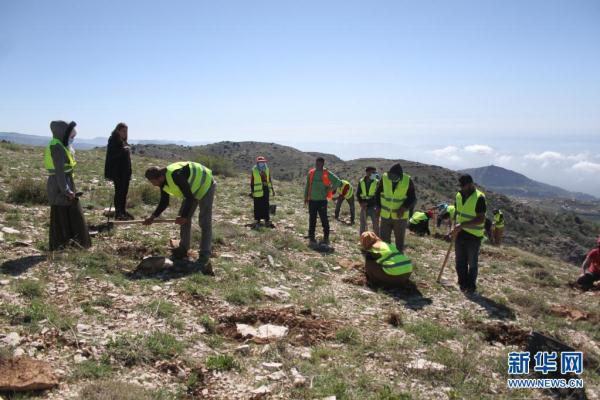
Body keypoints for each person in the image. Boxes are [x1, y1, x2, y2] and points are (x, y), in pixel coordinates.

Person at [143, 162, 215, 272]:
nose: (153, 184)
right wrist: (153, 217)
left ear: (161, 177)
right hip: (191, 190)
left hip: (205, 184)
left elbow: (190, 198)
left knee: (204, 221)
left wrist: (184, 216)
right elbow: (164, 202)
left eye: (153, 182)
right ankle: (183, 249)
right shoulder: (163, 182)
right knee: (183, 219)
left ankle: (205, 254)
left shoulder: (176, 175)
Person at [45, 120, 91, 251]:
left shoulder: (60, 144)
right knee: (62, 214)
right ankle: (63, 247)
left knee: (69, 213)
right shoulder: (57, 147)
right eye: (71, 136)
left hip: (64, 182)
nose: (73, 139)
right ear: (63, 134)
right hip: (59, 185)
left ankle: (71, 245)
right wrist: (66, 190)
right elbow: (59, 172)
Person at [450, 174, 486, 294]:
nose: (461, 188)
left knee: (472, 263)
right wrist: (453, 227)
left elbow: (481, 219)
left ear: (471, 184)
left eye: (463, 186)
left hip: (474, 235)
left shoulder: (479, 197)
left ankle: (471, 286)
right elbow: (457, 213)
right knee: (460, 260)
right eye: (460, 186)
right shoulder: (459, 195)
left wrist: (462, 225)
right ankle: (462, 282)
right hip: (460, 233)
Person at [375, 163, 416, 252]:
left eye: (394, 177)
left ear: (400, 176)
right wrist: (378, 206)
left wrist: (404, 208)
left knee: (399, 241)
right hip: (385, 215)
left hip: (400, 217)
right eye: (390, 176)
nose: (392, 179)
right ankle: (386, 259)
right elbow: (378, 193)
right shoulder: (385, 178)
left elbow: (412, 198)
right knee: (384, 239)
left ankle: (398, 261)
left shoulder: (407, 180)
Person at [304, 157, 342, 245]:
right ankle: (311, 236)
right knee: (312, 218)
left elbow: (338, 182)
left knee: (324, 219)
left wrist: (330, 190)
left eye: (319, 164)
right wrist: (305, 197)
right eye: (316, 163)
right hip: (312, 200)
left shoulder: (326, 173)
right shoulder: (311, 172)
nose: (317, 165)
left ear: (323, 164)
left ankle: (326, 237)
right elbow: (308, 185)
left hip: (322, 200)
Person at [104, 122, 133, 220]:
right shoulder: (113, 140)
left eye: (126, 131)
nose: (125, 133)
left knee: (124, 192)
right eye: (123, 131)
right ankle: (118, 212)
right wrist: (124, 150)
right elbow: (112, 155)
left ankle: (123, 211)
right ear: (118, 130)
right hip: (118, 172)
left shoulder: (123, 141)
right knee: (119, 192)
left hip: (125, 172)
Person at [250, 156, 275, 227]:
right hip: (257, 190)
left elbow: (269, 179)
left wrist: (272, 189)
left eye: (263, 162)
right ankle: (258, 220)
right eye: (260, 162)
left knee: (266, 205)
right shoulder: (254, 170)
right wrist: (252, 191)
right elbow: (252, 181)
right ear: (257, 162)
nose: (262, 163)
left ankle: (267, 219)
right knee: (257, 205)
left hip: (266, 189)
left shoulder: (267, 169)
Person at [357, 167, 380, 235]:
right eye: (373, 173)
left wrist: (377, 206)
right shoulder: (361, 181)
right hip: (364, 206)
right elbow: (358, 193)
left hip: (373, 206)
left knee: (376, 224)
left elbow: (378, 195)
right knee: (362, 224)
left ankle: (377, 239)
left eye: (375, 173)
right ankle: (363, 238)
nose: (374, 174)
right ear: (367, 172)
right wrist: (361, 203)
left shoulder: (377, 182)